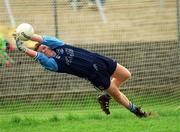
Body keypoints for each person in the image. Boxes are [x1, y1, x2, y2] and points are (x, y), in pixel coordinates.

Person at [13, 33, 150, 118]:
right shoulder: (53, 64)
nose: (44, 49)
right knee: (117, 94)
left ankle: (105, 97)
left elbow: (42, 38)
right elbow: (38, 57)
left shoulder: (58, 45)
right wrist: (24, 49)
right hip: (94, 75)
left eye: (44, 47)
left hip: (99, 60)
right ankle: (137, 112)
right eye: (42, 50)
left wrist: (28, 35)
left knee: (126, 74)